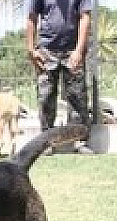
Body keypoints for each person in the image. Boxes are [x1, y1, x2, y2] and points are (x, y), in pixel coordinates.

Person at [25, 0, 95, 154]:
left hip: (72, 50)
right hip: (46, 51)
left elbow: (85, 17)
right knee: (45, 98)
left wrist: (79, 50)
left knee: (77, 97)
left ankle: (80, 141)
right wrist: (31, 50)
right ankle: (47, 142)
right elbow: (32, 17)